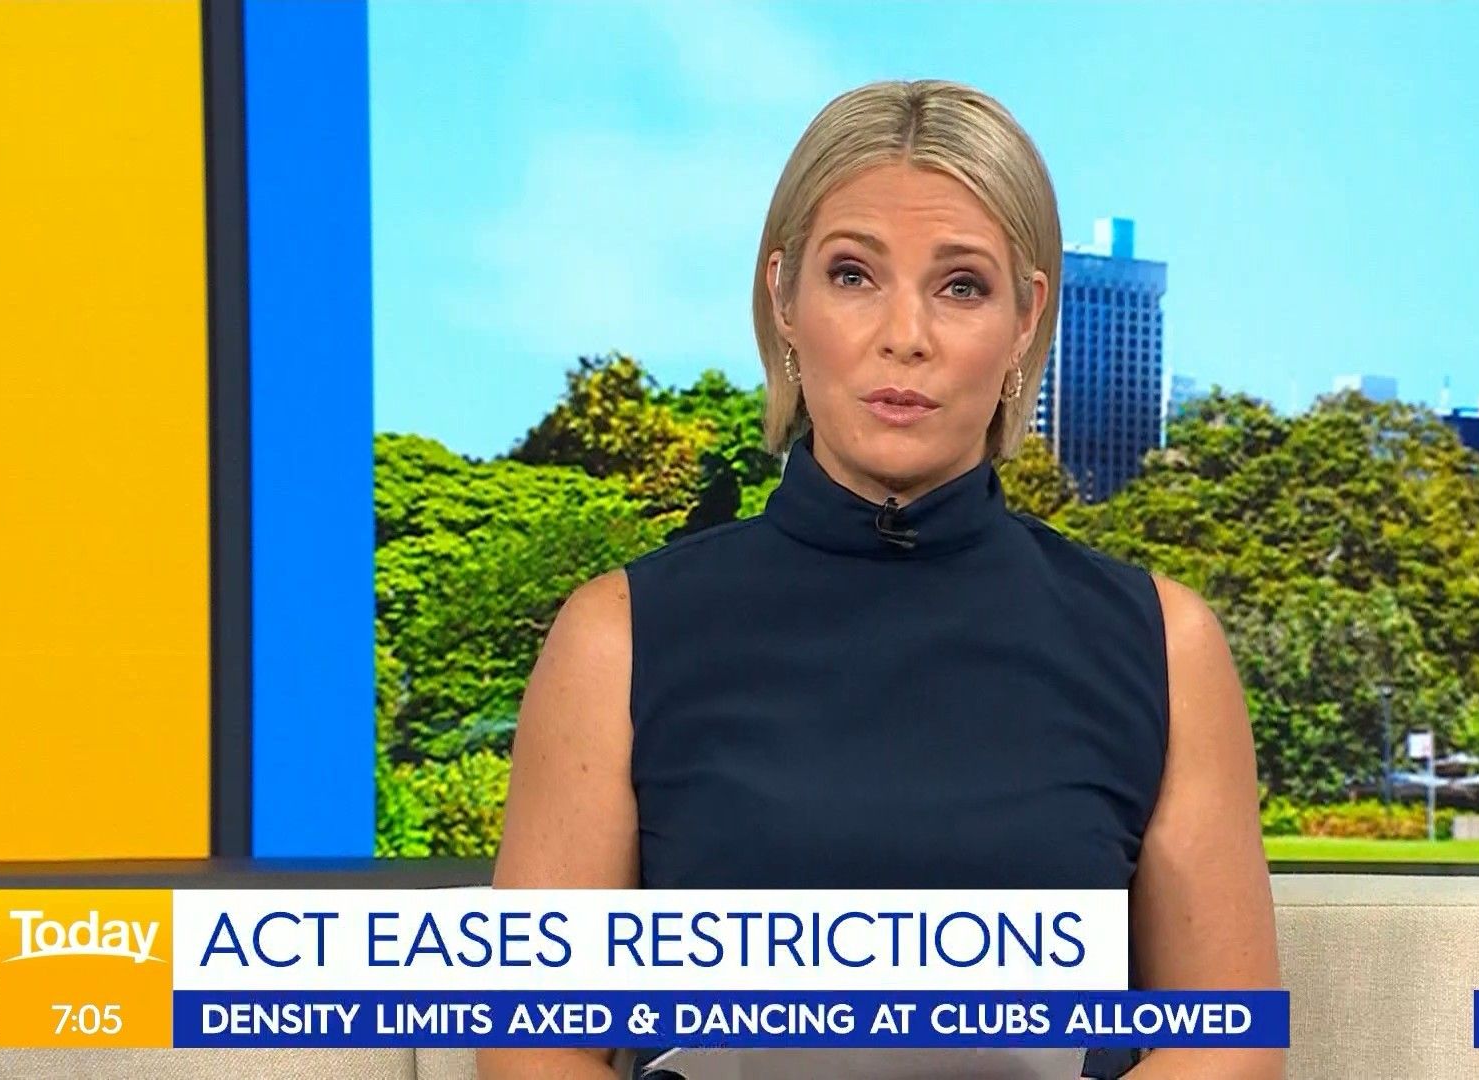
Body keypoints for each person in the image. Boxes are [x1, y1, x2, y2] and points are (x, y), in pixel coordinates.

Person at [483, 79, 1282, 1080]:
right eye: (854, 274)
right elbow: (532, 1050)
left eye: (962, 287)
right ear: (784, 298)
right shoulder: (618, 636)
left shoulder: (1161, 643)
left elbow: (1230, 1043)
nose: (905, 334)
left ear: (1027, 319)